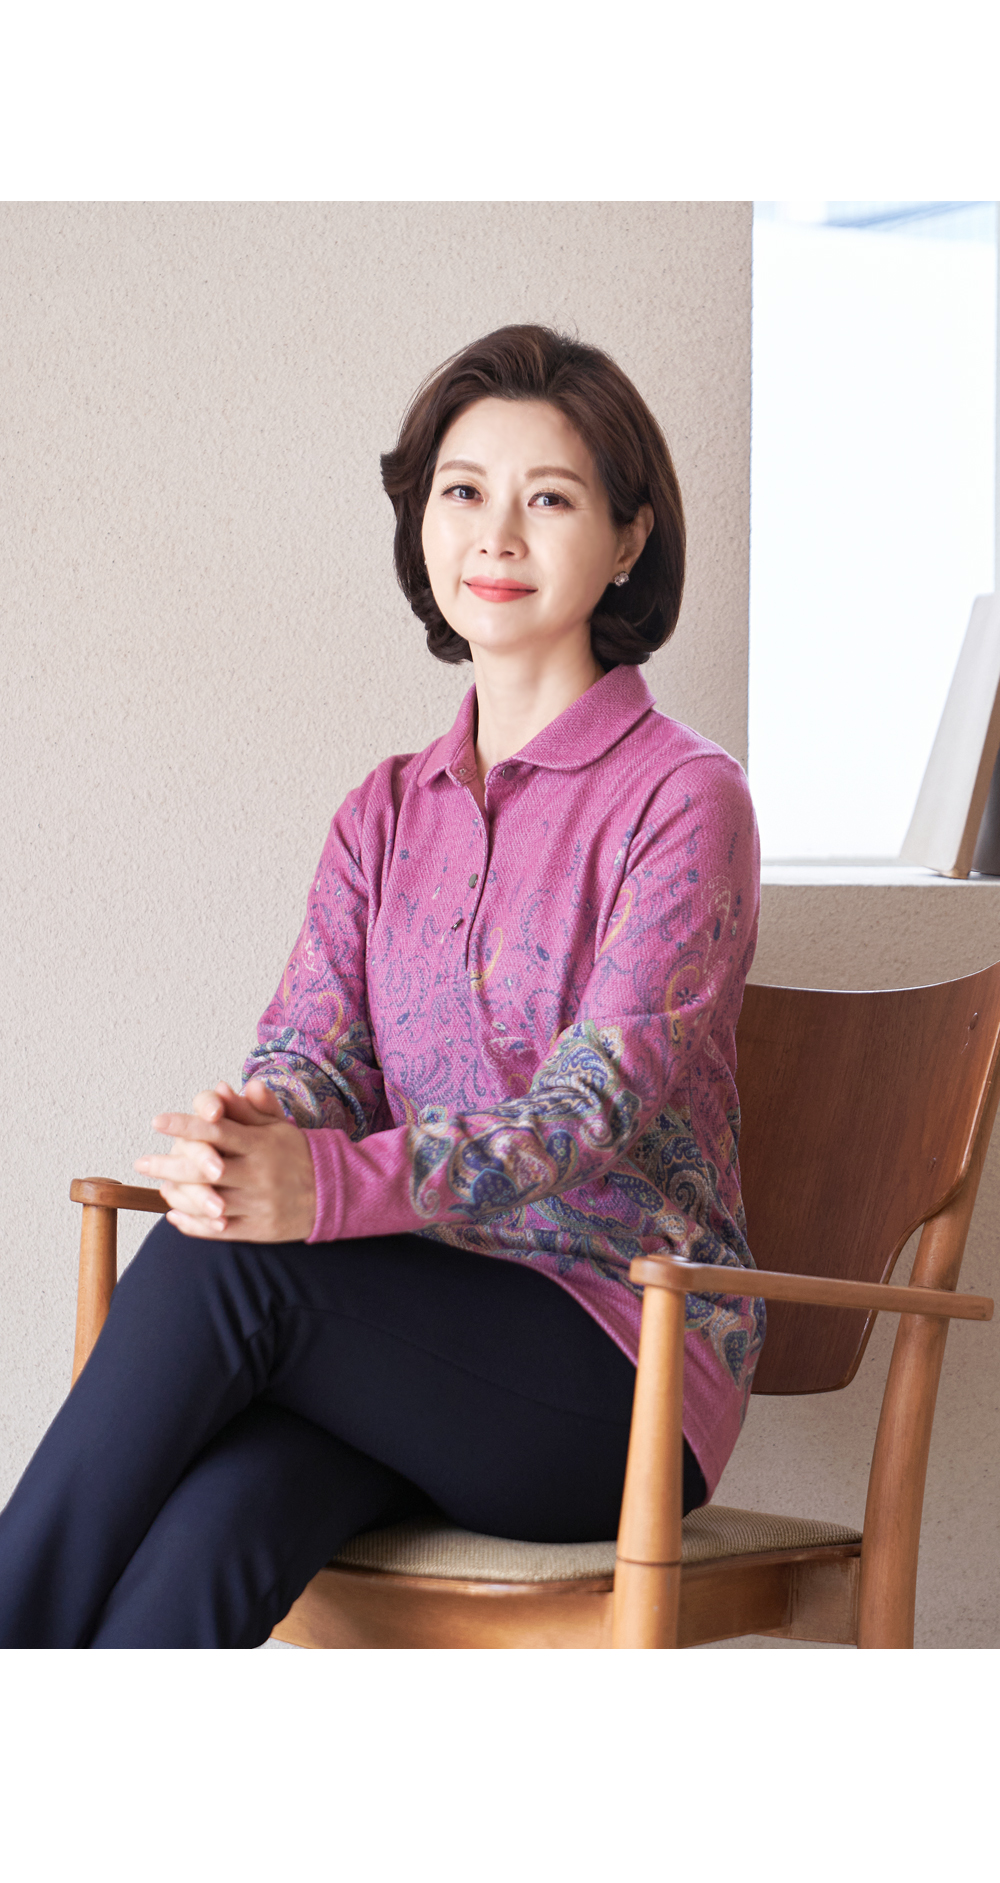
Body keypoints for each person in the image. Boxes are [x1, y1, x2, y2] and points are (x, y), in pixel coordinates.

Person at [0, 324, 764, 1647]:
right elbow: (317, 1057)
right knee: (208, 1538)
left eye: (550, 499)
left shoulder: (685, 799)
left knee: (224, 1268)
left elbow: (587, 1114)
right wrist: (259, 1130)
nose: (497, 535)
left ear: (629, 538)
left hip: (618, 1367)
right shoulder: (386, 810)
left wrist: (321, 1188)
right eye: (464, 490)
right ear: (423, 517)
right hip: (404, 1343)